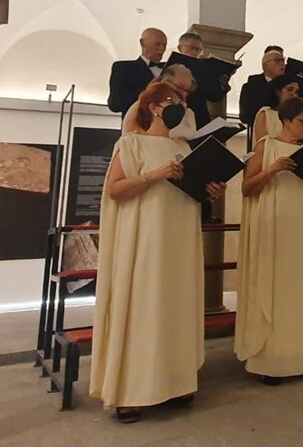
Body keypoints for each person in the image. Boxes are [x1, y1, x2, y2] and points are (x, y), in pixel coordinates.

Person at [89, 81, 227, 423]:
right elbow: (115, 189)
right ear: (152, 107)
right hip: (146, 239)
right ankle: (131, 392)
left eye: (181, 100)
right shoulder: (131, 143)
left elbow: (191, 190)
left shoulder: (184, 148)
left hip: (179, 237)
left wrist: (210, 190)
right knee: (143, 306)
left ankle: (176, 383)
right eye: (170, 100)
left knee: (175, 304)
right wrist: (157, 174)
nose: (178, 104)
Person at [236, 97, 303, 385]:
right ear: (286, 121)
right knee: (278, 289)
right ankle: (274, 361)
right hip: (277, 227)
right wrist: (273, 169)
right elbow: (247, 188)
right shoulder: (267, 146)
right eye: (302, 121)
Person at [174, 31, 236, 127]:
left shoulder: (204, 69)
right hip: (177, 117)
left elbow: (214, 97)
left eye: (198, 49)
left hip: (200, 118)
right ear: (180, 48)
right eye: (191, 48)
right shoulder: (171, 68)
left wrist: (222, 83)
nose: (195, 52)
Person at [121, 64, 197, 138]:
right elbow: (129, 139)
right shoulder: (140, 107)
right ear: (164, 82)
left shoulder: (187, 113)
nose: (183, 94)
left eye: (187, 91)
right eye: (179, 87)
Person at [107, 28, 168, 117]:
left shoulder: (170, 69)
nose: (162, 49)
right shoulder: (124, 68)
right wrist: (147, 92)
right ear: (142, 43)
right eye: (157, 44)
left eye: (164, 45)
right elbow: (115, 104)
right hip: (137, 123)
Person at [239, 46, 286, 131]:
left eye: (283, 60)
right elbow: (245, 116)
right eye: (277, 61)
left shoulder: (289, 86)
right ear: (265, 65)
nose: (282, 64)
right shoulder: (251, 86)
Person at [252, 74, 300, 148]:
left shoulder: (295, 116)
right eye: (290, 89)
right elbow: (262, 143)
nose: (293, 94)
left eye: (296, 92)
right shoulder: (265, 113)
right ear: (278, 91)